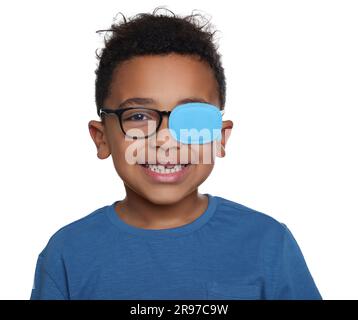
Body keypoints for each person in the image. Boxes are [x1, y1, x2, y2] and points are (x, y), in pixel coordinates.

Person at [30, 7, 321, 300]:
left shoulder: (267, 243)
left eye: (192, 118)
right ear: (101, 137)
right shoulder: (68, 254)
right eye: (139, 116)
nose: (166, 140)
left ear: (220, 137)